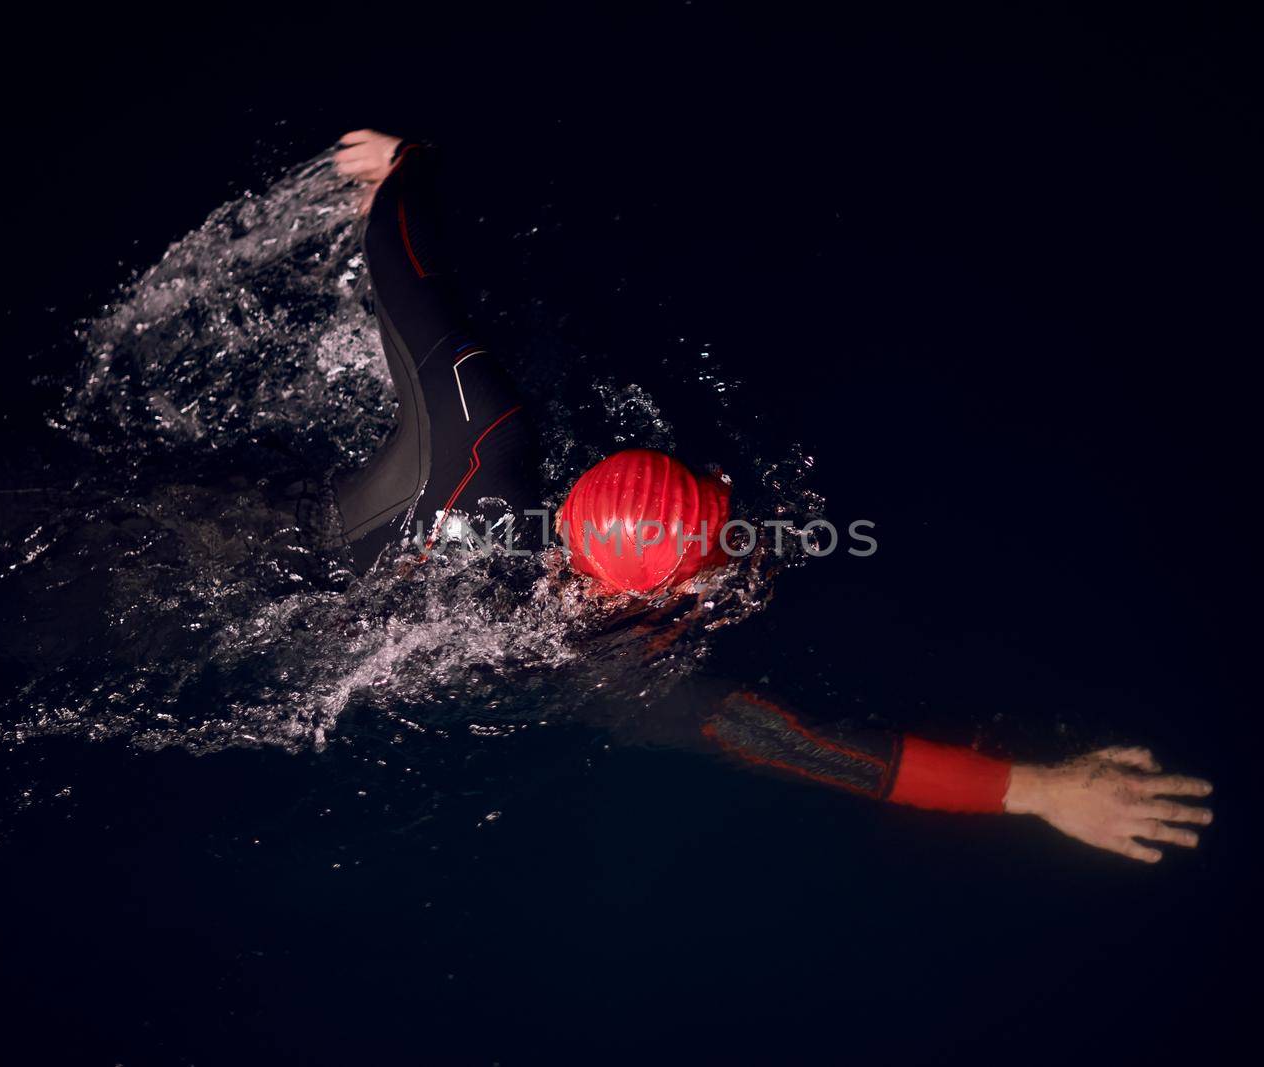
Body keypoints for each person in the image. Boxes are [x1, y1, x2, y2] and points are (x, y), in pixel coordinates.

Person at [332, 128, 1215, 863]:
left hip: (260, 532)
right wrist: (1044, 790)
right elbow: (812, 747)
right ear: (673, 590)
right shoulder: (619, 676)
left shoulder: (482, 437)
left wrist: (408, 168)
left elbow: (408, 284)